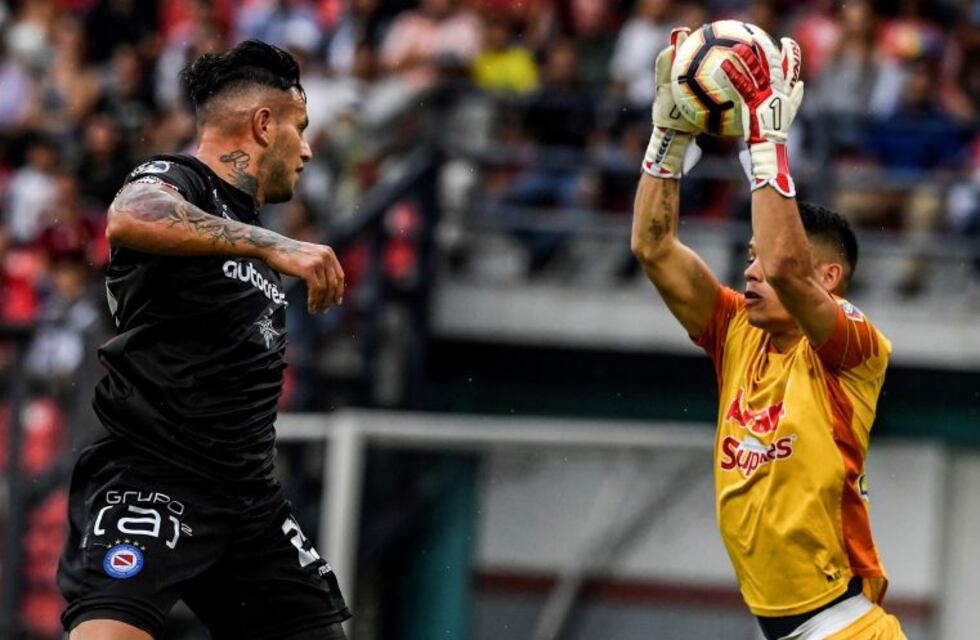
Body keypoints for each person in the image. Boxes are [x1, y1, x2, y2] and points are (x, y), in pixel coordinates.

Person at [56, 40, 350, 640]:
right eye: (301, 128)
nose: (309, 149)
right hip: (156, 478)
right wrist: (277, 246)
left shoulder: (246, 234)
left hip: (250, 499)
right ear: (264, 125)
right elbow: (130, 214)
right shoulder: (176, 180)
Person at [631, 28, 906, 639]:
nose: (751, 268)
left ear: (828, 277)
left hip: (847, 629)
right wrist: (668, 138)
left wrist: (767, 141)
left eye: (764, 254)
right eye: (747, 254)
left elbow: (786, 265)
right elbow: (652, 246)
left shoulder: (854, 348)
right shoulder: (735, 330)